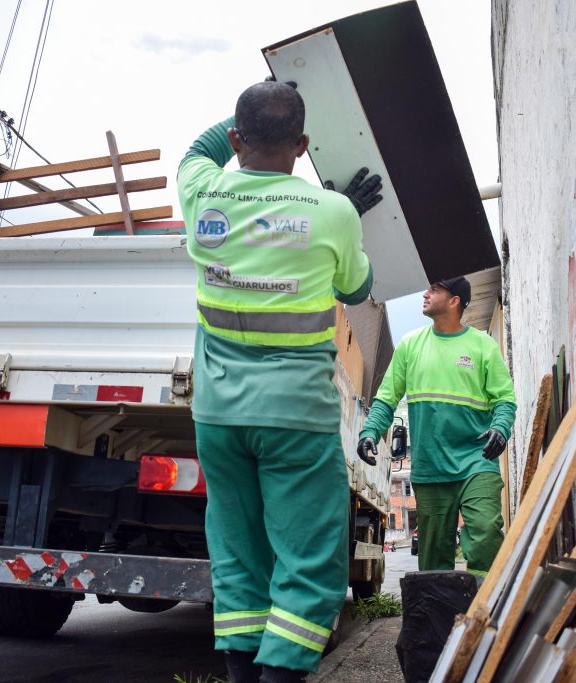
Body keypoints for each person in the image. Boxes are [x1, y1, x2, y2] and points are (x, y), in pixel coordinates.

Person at [177, 80, 382, 683]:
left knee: (238, 558)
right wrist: (337, 211)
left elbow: (198, 149)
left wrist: (258, 106)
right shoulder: (333, 212)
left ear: (237, 137)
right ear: (304, 144)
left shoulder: (202, 192)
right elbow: (357, 289)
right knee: (309, 563)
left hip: (219, 417)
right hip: (297, 418)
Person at [356, 277, 517, 578]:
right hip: (431, 466)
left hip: (476, 460)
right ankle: (438, 607)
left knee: (486, 531)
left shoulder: (482, 345)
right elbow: (386, 398)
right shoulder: (410, 345)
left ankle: (481, 601)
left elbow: (505, 399)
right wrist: (370, 432)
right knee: (433, 555)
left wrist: (501, 427)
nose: (426, 294)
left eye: (435, 289)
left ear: (454, 301)